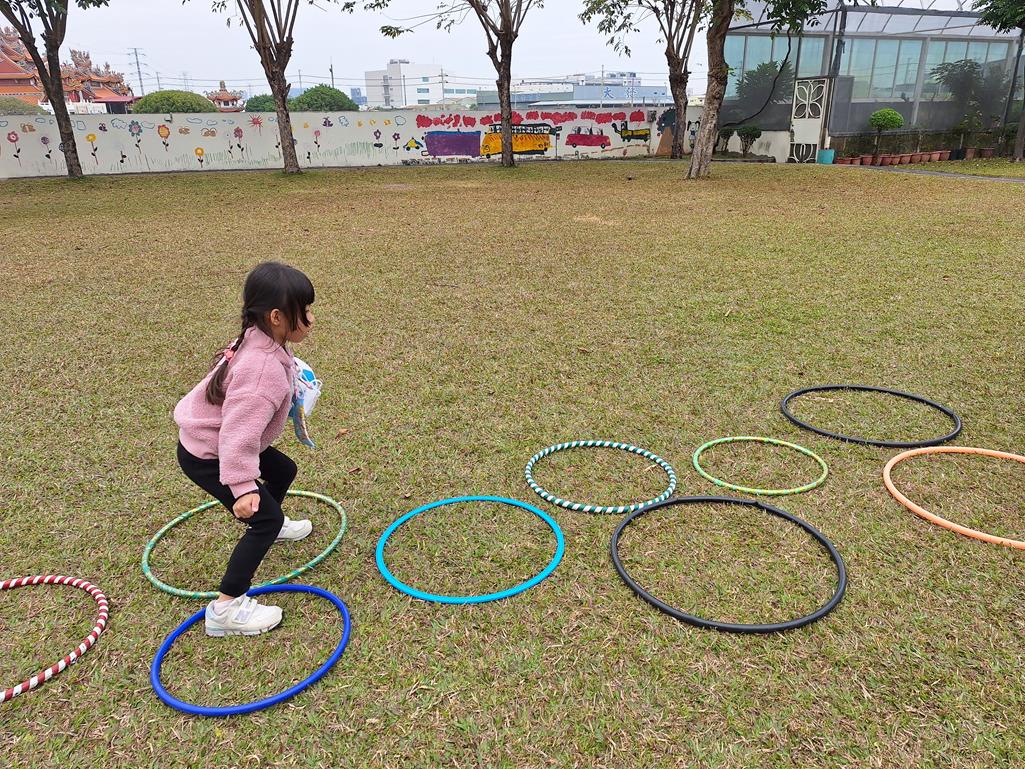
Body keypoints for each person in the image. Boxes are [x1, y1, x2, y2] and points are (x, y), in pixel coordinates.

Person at [174, 261, 316, 636]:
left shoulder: (258, 338)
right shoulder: (261, 371)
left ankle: (273, 523)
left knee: (283, 471)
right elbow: (238, 435)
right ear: (276, 317)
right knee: (263, 518)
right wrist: (242, 488)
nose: (311, 319)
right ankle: (226, 609)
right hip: (211, 453)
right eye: (305, 310)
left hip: (220, 441)